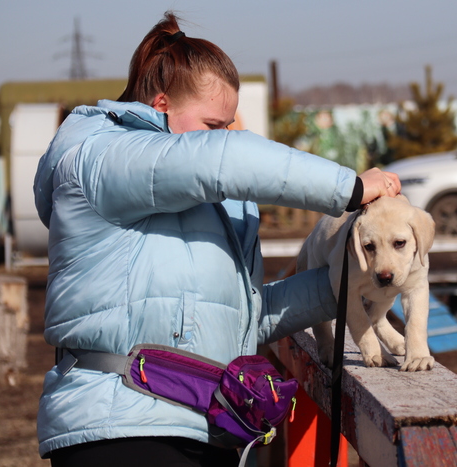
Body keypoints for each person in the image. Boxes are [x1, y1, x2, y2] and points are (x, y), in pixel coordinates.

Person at [35, 11, 400, 467]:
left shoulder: (215, 207)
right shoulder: (99, 156)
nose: (224, 137)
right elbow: (224, 159)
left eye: (228, 126)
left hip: (209, 427)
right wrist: (351, 188)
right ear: (161, 105)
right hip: (122, 432)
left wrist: (344, 287)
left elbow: (244, 319)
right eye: (213, 126)